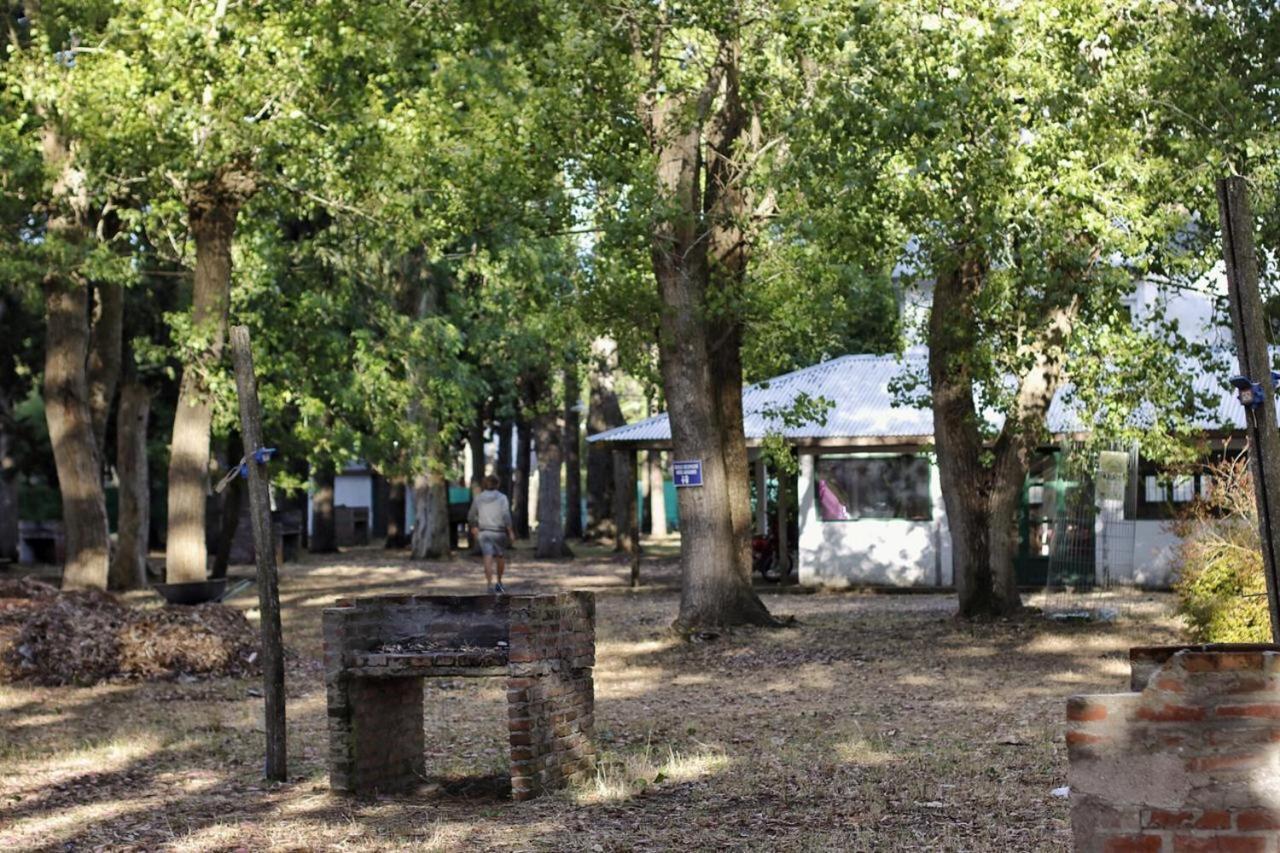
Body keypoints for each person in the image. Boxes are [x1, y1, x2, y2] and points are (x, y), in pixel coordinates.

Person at [467, 474, 516, 594]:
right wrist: (510, 531)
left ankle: (489, 584)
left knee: (487, 557)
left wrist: (474, 527)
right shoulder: (502, 498)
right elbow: (506, 515)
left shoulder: (479, 498)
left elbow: (470, 515)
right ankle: (499, 582)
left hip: (484, 532)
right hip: (499, 532)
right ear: (497, 484)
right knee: (500, 557)